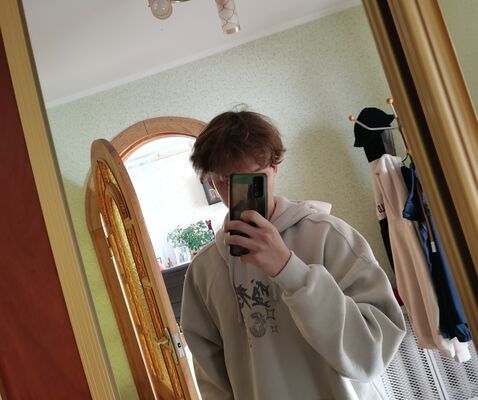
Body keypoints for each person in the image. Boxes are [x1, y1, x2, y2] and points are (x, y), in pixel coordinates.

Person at [181, 109, 406, 399]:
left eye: (255, 177)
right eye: (228, 180)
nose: (245, 192)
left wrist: (289, 269)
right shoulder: (202, 272)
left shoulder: (330, 237)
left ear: (275, 167)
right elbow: (213, 383)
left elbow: (371, 355)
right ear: (211, 183)